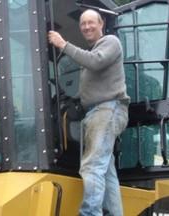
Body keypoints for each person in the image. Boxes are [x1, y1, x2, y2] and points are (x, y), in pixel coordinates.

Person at [48, 9, 130, 216]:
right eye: (83, 23)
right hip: (98, 112)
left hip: (107, 110)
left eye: (91, 22)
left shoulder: (110, 41)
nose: (86, 27)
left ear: (101, 23)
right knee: (106, 171)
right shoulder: (93, 50)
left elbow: (95, 61)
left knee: (91, 167)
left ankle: (90, 213)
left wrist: (63, 45)